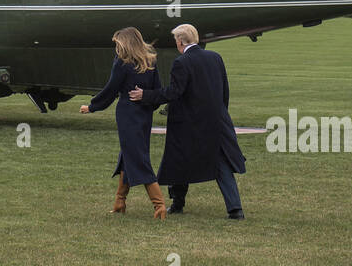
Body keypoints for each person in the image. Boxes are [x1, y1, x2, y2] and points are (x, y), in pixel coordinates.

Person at [129, 23, 246, 219]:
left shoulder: (182, 62)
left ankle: (177, 202)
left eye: (176, 39)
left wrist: (146, 95)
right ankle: (235, 209)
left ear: (181, 41)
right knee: (221, 163)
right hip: (216, 120)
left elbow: (174, 92)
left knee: (179, 160)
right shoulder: (215, 57)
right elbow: (224, 91)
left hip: (189, 123)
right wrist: (220, 114)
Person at [80, 27, 167, 219]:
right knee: (129, 154)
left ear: (125, 43)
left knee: (138, 157)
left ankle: (159, 205)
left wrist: (92, 106)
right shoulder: (150, 61)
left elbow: (111, 89)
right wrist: (145, 102)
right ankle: (120, 202)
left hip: (128, 115)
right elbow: (158, 92)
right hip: (144, 115)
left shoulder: (122, 63)